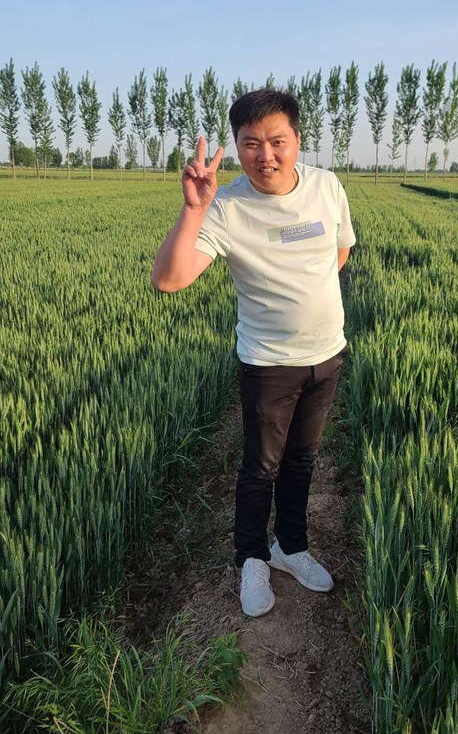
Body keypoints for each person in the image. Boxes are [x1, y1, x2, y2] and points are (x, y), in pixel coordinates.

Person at [151, 88, 355, 617]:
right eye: (251, 143)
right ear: (237, 146)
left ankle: (291, 547)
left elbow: (339, 249)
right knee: (261, 467)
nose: (266, 155)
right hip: (267, 363)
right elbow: (169, 280)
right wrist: (193, 209)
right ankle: (251, 559)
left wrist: (305, 298)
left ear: (297, 140)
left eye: (277, 141)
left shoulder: (327, 187)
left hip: (327, 355)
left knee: (302, 459)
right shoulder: (225, 207)